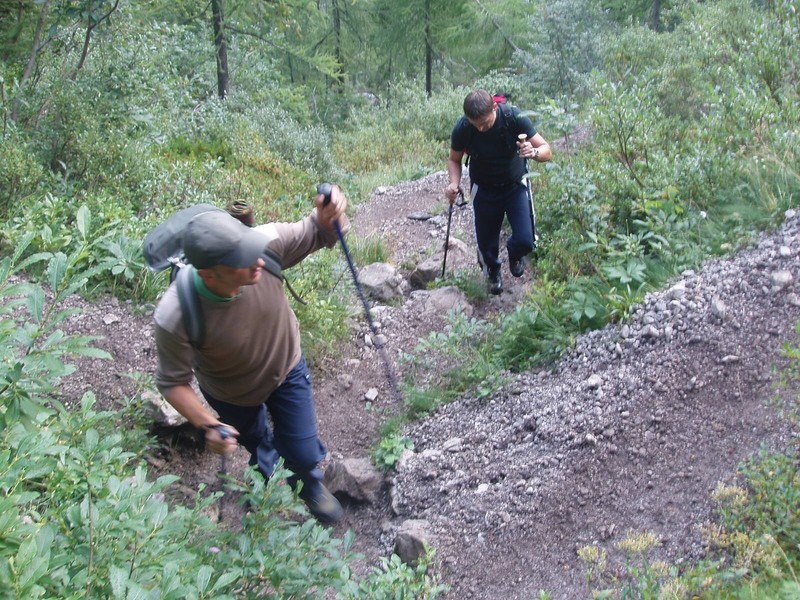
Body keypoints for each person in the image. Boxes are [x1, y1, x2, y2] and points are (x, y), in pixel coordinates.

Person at [153, 185, 349, 524]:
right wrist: (209, 425)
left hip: (285, 367)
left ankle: (306, 483)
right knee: (257, 443)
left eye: (252, 250)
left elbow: (320, 231)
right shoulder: (175, 314)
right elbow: (173, 383)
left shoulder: (266, 242)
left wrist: (330, 214)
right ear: (209, 274)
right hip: (231, 394)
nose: (258, 261)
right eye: (243, 260)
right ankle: (269, 479)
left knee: (302, 450)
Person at [445, 89, 552, 294]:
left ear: (495, 107)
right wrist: (453, 184)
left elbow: (547, 150)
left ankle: (515, 253)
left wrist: (534, 152)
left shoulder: (514, 117)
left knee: (526, 240)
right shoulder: (464, 128)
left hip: (515, 186)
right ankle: (493, 270)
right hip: (483, 189)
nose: (482, 128)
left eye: (485, 123)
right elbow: (454, 159)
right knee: (486, 242)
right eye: (476, 125)